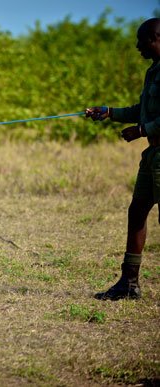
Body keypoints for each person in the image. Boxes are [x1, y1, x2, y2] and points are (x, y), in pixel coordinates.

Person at [86, 18, 160, 300]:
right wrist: (109, 112)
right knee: (137, 211)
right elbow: (143, 109)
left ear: (157, 37)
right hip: (153, 154)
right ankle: (129, 283)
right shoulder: (153, 72)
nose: (138, 46)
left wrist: (142, 131)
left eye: (143, 40)